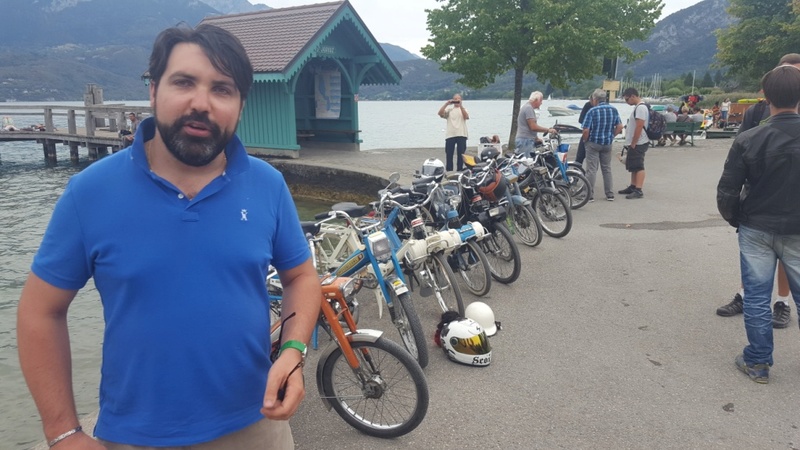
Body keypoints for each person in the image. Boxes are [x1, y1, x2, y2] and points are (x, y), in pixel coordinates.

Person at [16, 23, 322, 449]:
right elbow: (39, 312)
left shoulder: (267, 184)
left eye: (222, 89)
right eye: (184, 82)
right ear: (154, 91)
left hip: (259, 425)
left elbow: (300, 277)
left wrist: (293, 351)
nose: (202, 102)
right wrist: (63, 432)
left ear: (239, 105)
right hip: (136, 435)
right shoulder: (91, 191)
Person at [716, 64, 800, 384]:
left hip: (757, 226)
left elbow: (727, 189)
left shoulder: (749, 139)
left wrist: (737, 218)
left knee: (755, 296)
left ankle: (758, 361)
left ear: (765, 97)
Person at [580, 89, 622, 202]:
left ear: (595, 99)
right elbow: (619, 126)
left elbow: (585, 130)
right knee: (607, 168)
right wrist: (612, 136)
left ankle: (589, 195)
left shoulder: (592, 111)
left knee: (591, 169)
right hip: (607, 143)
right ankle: (609, 194)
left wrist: (585, 140)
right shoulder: (613, 110)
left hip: (593, 142)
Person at [618, 88, 649, 199]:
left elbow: (639, 126)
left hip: (639, 141)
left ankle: (638, 189)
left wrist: (634, 142)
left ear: (632, 96)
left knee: (639, 165)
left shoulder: (640, 108)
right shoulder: (639, 107)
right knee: (633, 165)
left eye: (627, 99)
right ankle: (633, 186)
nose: (626, 102)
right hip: (637, 141)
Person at [515, 91, 556, 156]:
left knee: (529, 162)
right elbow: (533, 127)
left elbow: (527, 126)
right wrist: (548, 130)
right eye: (541, 101)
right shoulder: (528, 108)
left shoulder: (526, 107)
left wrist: (536, 138)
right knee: (526, 163)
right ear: (536, 100)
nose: (541, 103)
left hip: (525, 139)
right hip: (525, 141)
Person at [438, 94, 469, 171]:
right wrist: (446, 104)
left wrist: (461, 106)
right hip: (450, 135)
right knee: (449, 154)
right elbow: (440, 113)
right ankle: (449, 171)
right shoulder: (449, 110)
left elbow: (466, 117)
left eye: (458, 99)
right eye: (455, 99)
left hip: (461, 134)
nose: (457, 101)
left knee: (461, 154)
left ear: (461, 100)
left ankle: (460, 169)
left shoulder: (464, 109)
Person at [574, 97, 593, 165]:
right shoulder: (588, 105)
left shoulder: (588, 105)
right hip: (598, 136)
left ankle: (577, 170)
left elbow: (581, 119)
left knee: (580, 156)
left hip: (588, 133)